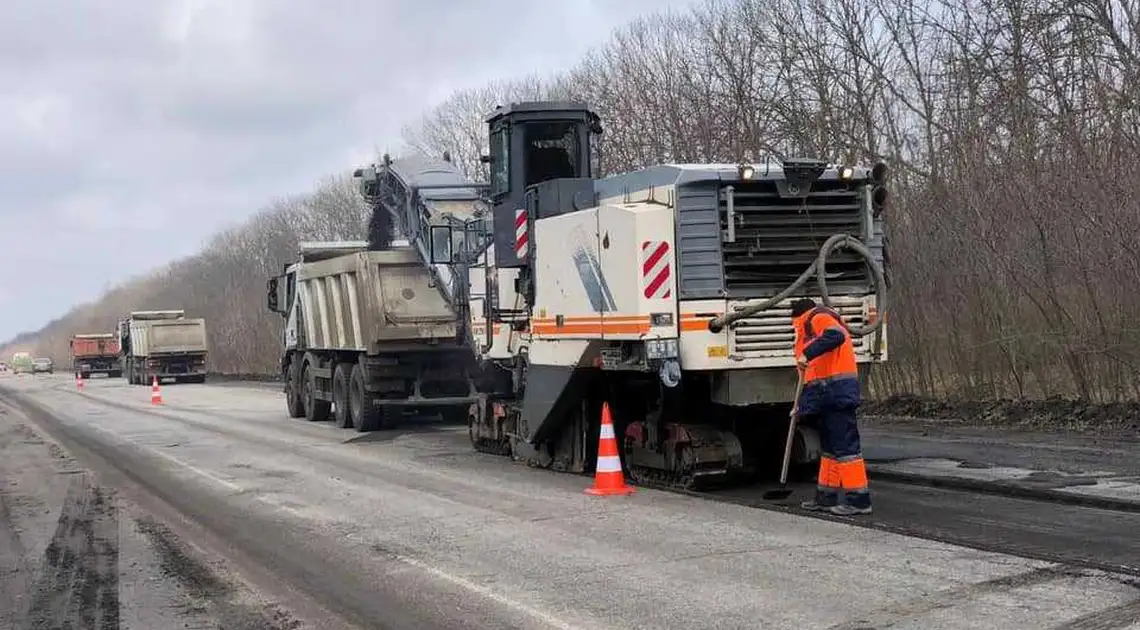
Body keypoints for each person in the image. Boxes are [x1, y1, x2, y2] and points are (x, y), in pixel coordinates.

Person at [791, 297, 872, 515]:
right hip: (827, 396)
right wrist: (801, 407)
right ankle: (826, 497)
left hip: (838, 395)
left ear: (797, 316)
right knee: (830, 450)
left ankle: (858, 501)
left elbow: (835, 335)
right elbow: (815, 377)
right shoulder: (810, 327)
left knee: (846, 449)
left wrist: (807, 353)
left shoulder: (817, 318)